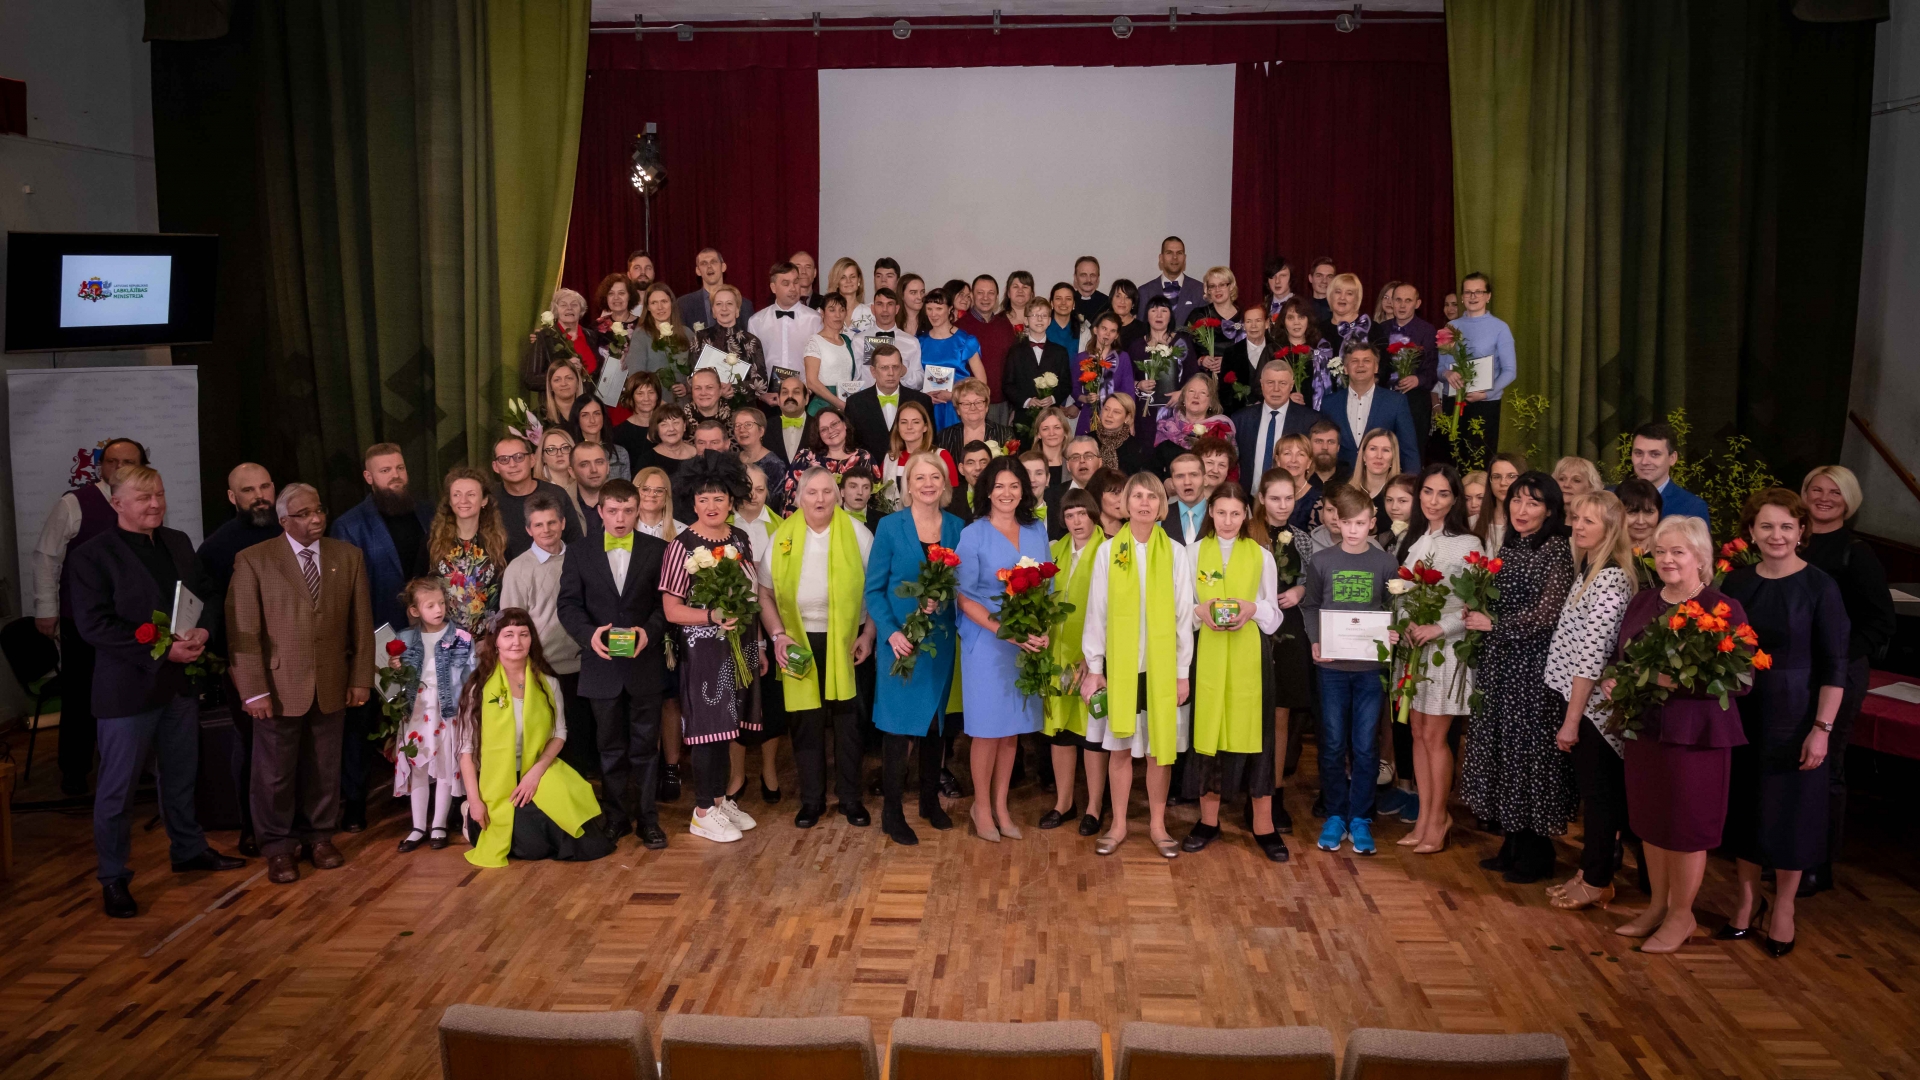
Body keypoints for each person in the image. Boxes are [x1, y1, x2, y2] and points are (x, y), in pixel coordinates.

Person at [72, 466, 245, 917]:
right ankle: (113, 877)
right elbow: (94, 626)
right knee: (118, 791)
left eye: (160, 495)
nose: (155, 504)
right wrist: (164, 651)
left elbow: (207, 594)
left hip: (179, 686)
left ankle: (188, 849)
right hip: (126, 692)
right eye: (144, 497)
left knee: (181, 774)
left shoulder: (178, 542)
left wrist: (204, 632)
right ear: (117, 504)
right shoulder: (92, 556)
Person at [1608, 515, 1749, 953]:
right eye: (1661, 551)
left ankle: (1681, 915)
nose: (1667, 559)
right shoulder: (1643, 601)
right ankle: (1657, 906)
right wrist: (1615, 679)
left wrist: (1676, 682)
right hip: (1645, 730)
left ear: (1701, 558)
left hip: (1696, 736)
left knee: (1685, 828)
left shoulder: (1721, 607)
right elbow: (1622, 658)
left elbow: (1742, 679)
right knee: (1652, 823)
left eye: (1678, 552)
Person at [1719, 489, 1847, 957]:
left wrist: (1822, 730)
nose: (1777, 535)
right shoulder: (1736, 583)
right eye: (1767, 526)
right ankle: (1747, 900)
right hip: (1742, 712)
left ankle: (1785, 908)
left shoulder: (1820, 587)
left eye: (1787, 526)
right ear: (1751, 533)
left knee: (1790, 815)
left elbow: (1836, 667)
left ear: (1801, 532)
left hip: (1796, 716)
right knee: (1745, 810)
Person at [226, 482, 375, 885]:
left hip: (331, 682)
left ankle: (319, 837)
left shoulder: (348, 557)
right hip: (276, 688)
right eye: (304, 514)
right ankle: (277, 846)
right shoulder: (254, 560)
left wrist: (361, 677)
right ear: (283, 521)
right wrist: (253, 690)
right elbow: (242, 632)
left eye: (319, 510)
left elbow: (361, 625)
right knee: (274, 773)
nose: (316, 519)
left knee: (325, 767)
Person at [1462, 472, 1579, 883]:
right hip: (1501, 664)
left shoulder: (1556, 549)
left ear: (1550, 510)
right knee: (1503, 750)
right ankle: (1513, 842)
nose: (1522, 509)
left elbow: (1549, 614)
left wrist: (1494, 624)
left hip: (1532, 669)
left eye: (1533, 502)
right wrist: (1477, 611)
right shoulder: (1512, 546)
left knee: (1528, 754)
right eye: (1516, 500)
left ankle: (1537, 852)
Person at [1079, 472, 1196, 857]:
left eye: (1152, 496)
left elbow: (1183, 617)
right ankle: (1118, 824)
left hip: (1162, 669)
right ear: (1126, 504)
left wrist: (1182, 673)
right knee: (1120, 748)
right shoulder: (1109, 552)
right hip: (1122, 668)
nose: (1145, 503)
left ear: (1162, 504)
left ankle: (1158, 825)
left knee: (1159, 750)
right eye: (1137, 496)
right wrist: (1095, 667)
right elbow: (1097, 613)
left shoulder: (1175, 553)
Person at [757, 467, 877, 828]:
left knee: (848, 723)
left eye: (827, 492)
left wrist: (869, 635)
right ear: (798, 498)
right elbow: (764, 594)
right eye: (812, 492)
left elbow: (877, 589)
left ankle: (851, 798)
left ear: (837, 496)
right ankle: (811, 800)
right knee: (805, 722)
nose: (820, 499)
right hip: (798, 641)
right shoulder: (781, 536)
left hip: (849, 640)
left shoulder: (858, 533)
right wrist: (778, 635)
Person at [557, 477, 671, 847]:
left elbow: (666, 605)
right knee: (609, 747)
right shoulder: (579, 552)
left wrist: (648, 632)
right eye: (613, 511)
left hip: (643, 663)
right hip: (601, 664)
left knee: (646, 747)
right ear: (600, 511)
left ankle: (648, 820)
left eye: (627, 510)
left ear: (638, 511)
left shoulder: (658, 549)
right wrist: (588, 634)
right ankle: (617, 817)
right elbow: (568, 605)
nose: (620, 518)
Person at [456, 608, 619, 866]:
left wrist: (535, 773)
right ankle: (468, 817)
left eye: (524, 634)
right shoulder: (478, 687)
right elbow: (465, 750)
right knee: (531, 842)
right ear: (495, 642)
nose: (516, 642)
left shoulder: (548, 683)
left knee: (582, 838)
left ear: (532, 639)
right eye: (508, 635)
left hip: (538, 768)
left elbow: (559, 733)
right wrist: (474, 801)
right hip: (497, 778)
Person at [658, 452, 764, 843]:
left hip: (741, 644)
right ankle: (702, 810)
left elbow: (752, 595)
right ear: (693, 502)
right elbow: (671, 609)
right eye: (703, 499)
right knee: (708, 729)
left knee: (728, 729)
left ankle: (720, 800)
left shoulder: (740, 539)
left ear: (732, 499)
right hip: (704, 650)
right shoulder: (681, 546)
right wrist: (710, 616)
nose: (711, 505)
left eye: (718, 497)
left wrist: (760, 645)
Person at [32, 435, 147, 796]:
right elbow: (47, 557)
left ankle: (134, 766)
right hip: (82, 620)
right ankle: (74, 770)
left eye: (129, 462)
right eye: (112, 461)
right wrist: (46, 609)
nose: (120, 467)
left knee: (132, 693)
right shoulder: (74, 504)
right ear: (100, 466)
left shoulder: (147, 503)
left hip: (131, 622)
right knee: (81, 695)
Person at [1179, 482, 1287, 861]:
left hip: (1249, 660)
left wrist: (1252, 608)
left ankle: (1264, 825)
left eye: (1235, 513)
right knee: (1209, 735)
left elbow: (1274, 614)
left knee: (1256, 738)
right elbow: (1180, 607)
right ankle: (1208, 822)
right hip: (1206, 657)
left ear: (1246, 516)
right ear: (1211, 512)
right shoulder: (1191, 554)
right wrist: (1199, 611)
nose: (1228, 520)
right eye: (1221, 512)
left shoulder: (1261, 556)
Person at [1541, 491, 1639, 907]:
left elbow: (1591, 657)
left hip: (1593, 710)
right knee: (1593, 795)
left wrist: (1572, 719)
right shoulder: (1589, 568)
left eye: (1589, 521)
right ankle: (1588, 871)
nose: (1578, 526)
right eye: (1576, 517)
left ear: (1611, 529)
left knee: (1601, 798)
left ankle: (1597, 879)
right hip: (1578, 701)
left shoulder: (1611, 577)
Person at [1799, 466, 1893, 894]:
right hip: (1791, 670)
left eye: (1834, 492)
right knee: (1790, 761)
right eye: (1816, 490)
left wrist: (1835, 655)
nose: (1823, 498)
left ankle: (1818, 862)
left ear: (1849, 500)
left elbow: (1881, 622)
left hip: (1839, 672)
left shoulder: (1858, 553)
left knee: (1826, 765)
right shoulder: (1790, 540)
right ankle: (1786, 853)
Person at [865, 452, 966, 845]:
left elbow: (962, 584)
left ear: (945, 484)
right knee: (898, 728)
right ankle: (892, 813)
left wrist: (944, 600)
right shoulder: (890, 527)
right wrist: (890, 632)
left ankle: (929, 801)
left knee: (934, 724)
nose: (927, 484)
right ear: (908, 485)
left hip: (939, 642)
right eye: (919, 478)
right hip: (900, 644)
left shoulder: (956, 526)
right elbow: (874, 589)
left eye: (934, 477)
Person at [954, 457, 1054, 842]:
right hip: (987, 641)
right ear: (987, 491)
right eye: (999, 486)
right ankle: (981, 807)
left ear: (1023, 490)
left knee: (1011, 730)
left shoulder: (1036, 529)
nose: (1007, 493)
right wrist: (1005, 631)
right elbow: (964, 597)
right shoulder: (973, 534)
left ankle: (1001, 805)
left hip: (1023, 642)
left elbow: (1045, 587)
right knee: (987, 730)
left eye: (1014, 485)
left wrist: (1042, 629)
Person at [1297, 485, 1400, 856]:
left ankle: (1361, 817)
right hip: (1332, 668)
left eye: (1361, 523)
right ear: (1336, 522)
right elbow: (1310, 605)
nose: (1353, 530)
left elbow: (1393, 608)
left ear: (1372, 523)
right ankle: (1336, 814)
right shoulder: (1322, 561)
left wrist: (1394, 631)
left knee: (1365, 745)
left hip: (1370, 669)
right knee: (1332, 743)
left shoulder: (1385, 564)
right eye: (1347, 523)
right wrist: (1315, 640)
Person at [1391, 465, 1484, 854]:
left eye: (1443, 493)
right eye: (1427, 491)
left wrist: (1439, 628)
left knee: (1435, 736)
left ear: (1455, 499)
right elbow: (1399, 592)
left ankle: (1438, 817)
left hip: (1445, 651)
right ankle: (1424, 818)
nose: (1433, 500)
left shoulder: (1467, 542)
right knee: (1416, 732)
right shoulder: (1411, 539)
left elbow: (1473, 604)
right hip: (1413, 648)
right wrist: (1405, 622)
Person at [498, 493, 592, 776]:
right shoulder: (518, 569)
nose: (546, 530)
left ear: (563, 523)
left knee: (582, 742)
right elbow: (510, 625)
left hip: (582, 665)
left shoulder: (582, 558)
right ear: (528, 529)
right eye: (538, 525)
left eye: (552, 522)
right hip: (542, 668)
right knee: (548, 743)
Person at [385, 578, 474, 853]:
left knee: (446, 766)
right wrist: (394, 668)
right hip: (417, 711)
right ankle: (418, 826)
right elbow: (394, 683)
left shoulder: (461, 638)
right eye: (430, 605)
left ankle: (439, 824)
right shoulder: (404, 639)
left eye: (441, 603)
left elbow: (471, 678)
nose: (438, 610)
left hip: (447, 712)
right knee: (418, 766)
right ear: (415, 611)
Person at [1041, 489, 1107, 834]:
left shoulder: (1109, 551)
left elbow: (1115, 611)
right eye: (1069, 515)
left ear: (1094, 515)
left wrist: (1095, 659)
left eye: (1082, 513)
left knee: (1093, 734)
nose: (1076, 521)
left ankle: (1095, 807)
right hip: (1058, 658)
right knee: (1061, 732)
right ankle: (1064, 803)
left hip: (1092, 662)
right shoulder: (1054, 551)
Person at [1256, 470, 1311, 839]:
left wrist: (1300, 591)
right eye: (1274, 498)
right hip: (1254, 629)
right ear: (1261, 498)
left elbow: (1313, 580)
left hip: (1289, 630)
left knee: (1280, 712)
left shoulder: (1302, 538)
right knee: (1252, 710)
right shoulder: (1248, 533)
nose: (1282, 505)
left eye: (1288, 498)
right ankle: (1250, 789)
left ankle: (1274, 792)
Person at [1438, 273, 1517, 463]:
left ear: (1488, 296)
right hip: (1453, 402)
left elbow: (1510, 370)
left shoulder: (1500, 328)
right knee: (1452, 459)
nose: (1473, 297)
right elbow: (1439, 368)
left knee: (1479, 460)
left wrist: (1486, 394)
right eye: (1468, 292)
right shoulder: (1450, 326)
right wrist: (1447, 373)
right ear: (1462, 297)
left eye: (1478, 292)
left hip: (1485, 404)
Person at [428, 467, 508, 633]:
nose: (463, 500)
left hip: (489, 638)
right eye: (457, 495)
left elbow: (508, 594)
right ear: (450, 501)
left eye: (471, 494)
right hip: (444, 637)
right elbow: (419, 589)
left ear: (484, 500)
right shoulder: (432, 543)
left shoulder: (500, 544)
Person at [1321, 342, 1420, 474]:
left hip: (1383, 480)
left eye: (1366, 361)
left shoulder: (1396, 402)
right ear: (1345, 369)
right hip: (1341, 480)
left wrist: (1411, 482)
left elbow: (1408, 450)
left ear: (1376, 367)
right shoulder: (1329, 403)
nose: (1360, 365)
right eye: (1354, 361)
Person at [492, 435, 583, 560]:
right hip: (504, 571)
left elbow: (576, 542)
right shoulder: (489, 499)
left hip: (556, 569)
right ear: (495, 466)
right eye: (504, 459)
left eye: (519, 457)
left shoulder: (556, 494)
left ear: (532, 460)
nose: (512, 464)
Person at [1232, 359, 1323, 482]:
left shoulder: (1310, 420)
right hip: (1248, 493)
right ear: (1262, 384)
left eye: (1282, 383)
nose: (1276, 389)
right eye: (1270, 383)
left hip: (1293, 492)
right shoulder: (1241, 419)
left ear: (1291, 385)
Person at [845, 344, 931, 460]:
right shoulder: (855, 403)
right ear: (873, 371)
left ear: (901, 369)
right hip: (869, 469)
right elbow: (850, 445)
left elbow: (930, 441)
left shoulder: (922, 401)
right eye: (884, 368)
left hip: (912, 467)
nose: (891, 373)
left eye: (895, 367)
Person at [748, 261, 824, 393]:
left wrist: (806, 391)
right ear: (773, 287)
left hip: (805, 393)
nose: (793, 288)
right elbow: (753, 364)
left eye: (796, 282)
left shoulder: (815, 319)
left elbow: (821, 361)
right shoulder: (756, 321)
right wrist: (762, 394)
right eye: (786, 283)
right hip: (768, 396)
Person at [1382, 282, 1440, 450]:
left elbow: (1433, 368)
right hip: (1385, 398)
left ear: (1417, 303)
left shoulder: (1427, 331)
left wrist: (1418, 379)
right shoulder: (1381, 329)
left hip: (1415, 400)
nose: (1402, 305)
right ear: (1392, 302)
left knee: (1413, 449)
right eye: (1398, 300)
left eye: (1408, 300)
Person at [1004, 297, 1075, 434]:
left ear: (1049, 321)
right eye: (1035, 315)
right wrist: (1027, 401)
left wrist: (1053, 398)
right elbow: (1008, 385)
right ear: (1026, 320)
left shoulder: (1060, 352)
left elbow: (1066, 384)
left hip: (1051, 417)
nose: (1040, 319)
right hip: (1024, 418)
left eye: (1044, 315)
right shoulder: (1015, 351)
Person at [919, 288, 986, 430]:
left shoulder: (965, 340)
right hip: (928, 407)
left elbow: (982, 383)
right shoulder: (920, 342)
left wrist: (953, 395)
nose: (933, 314)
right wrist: (923, 396)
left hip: (957, 408)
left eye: (938, 309)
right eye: (929, 309)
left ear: (950, 308)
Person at [782, 406, 876, 504]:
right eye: (824, 429)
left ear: (845, 424)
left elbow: (874, 500)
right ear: (818, 434)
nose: (830, 431)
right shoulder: (804, 457)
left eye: (834, 424)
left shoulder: (864, 457)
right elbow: (790, 498)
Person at [694, 284, 771, 404]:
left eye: (729, 303)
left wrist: (733, 388)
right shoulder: (700, 338)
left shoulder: (751, 341)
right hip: (708, 407)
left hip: (743, 409)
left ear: (737, 310)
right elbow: (691, 376)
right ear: (713, 310)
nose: (724, 308)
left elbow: (762, 384)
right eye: (719, 304)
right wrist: (715, 388)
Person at [1626, 422, 1711, 523]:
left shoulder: (1692, 507)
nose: (1644, 462)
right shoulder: (1615, 499)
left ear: (1672, 458)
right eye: (1638, 453)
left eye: (1655, 454)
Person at [961, 275, 1019, 422]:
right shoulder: (959, 328)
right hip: (972, 404)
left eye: (991, 293)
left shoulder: (1005, 325)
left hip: (1004, 403)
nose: (985, 298)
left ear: (997, 296)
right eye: (980, 292)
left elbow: (1014, 365)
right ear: (972, 295)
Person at [881, 401, 960, 503]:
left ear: (925, 427)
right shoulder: (890, 459)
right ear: (898, 427)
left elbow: (954, 497)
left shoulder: (941, 456)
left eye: (916, 422)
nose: (909, 427)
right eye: (904, 422)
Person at [520, 287, 594, 392]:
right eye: (563, 305)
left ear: (581, 310)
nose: (569, 308)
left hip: (591, 400)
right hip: (559, 401)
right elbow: (531, 380)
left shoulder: (591, 335)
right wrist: (563, 370)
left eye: (574, 305)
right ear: (556, 310)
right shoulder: (544, 337)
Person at [1130, 296, 1193, 414]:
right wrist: (1139, 385)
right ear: (1147, 316)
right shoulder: (1136, 346)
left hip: (1177, 409)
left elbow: (1194, 375)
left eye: (1164, 311)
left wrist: (1182, 393)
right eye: (1153, 310)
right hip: (1144, 410)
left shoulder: (1181, 343)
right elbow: (1127, 379)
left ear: (1170, 316)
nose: (1159, 315)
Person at [853, 287, 923, 389]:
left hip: (902, 397)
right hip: (868, 397)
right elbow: (855, 378)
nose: (885, 309)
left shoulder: (911, 342)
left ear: (897, 309)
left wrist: (903, 371)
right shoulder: (858, 341)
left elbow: (920, 382)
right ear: (872, 309)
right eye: (880, 304)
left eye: (890, 304)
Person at [590, 273, 644, 404]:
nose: (616, 298)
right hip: (603, 394)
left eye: (621, 293)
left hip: (637, 393)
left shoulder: (643, 326)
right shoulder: (596, 327)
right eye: (611, 293)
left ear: (630, 296)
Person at [803, 293, 861, 411]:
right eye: (832, 310)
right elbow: (812, 382)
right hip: (822, 408)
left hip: (846, 404)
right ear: (822, 313)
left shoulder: (847, 341)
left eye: (842, 310)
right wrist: (840, 404)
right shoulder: (815, 342)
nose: (838, 315)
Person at [1185, 266, 1246, 374]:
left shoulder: (1245, 316)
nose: (1217, 290)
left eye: (1222, 284)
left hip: (1237, 377)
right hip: (1205, 377)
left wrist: (1229, 361)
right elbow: (1185, 346)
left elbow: (1254, 350)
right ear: (1208, 290)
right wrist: (1201, 360)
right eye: (1212, 286)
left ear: (1231, 286)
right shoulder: (1199, 315)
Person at [934, 378, 1014, 458]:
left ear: (986, 406)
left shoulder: (1004, 434)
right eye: (966, 404)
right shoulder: (944, 436)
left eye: (978, 402)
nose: (973, 408)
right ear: (957, 410)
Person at [731, 408, 790, 513]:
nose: (742, 429)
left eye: (748, 425)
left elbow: (776, 505)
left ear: (761, 431)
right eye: (738, 425)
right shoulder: (732, 460)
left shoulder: (775, 465)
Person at [678, 247, 752, 327]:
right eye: (704, 263)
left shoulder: (744, 305)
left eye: (713, 262)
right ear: (698, 271)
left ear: (723, 267)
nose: (709, 266)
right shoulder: (684, 304)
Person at [1142, 235, 1205, 325]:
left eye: (1179, 253)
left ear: (1184, 258)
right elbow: (1141, 329)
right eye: (1169, 253)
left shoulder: (1200, 290)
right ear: (1161, 258)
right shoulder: (1144, 292)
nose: (1175, 257)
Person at [611, 371, 667, 473]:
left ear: (658, 396)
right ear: (631, 397)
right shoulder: (619, 433)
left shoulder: (667, 429)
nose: (646, 398)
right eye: (640, 393)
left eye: (651, 392)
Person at [1475, 452, 1527, 553]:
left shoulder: (1530, 522)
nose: (1503, 483)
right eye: (1496, 477)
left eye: (1511, 476)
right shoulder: (1474, 521)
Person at [1161, 454, 1211, 547]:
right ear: (1172, 483)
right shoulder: (1160, 516)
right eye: (1180, 476)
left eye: (1193, 475)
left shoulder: (1222, 514)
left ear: (1205, 480)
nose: (1187, 482)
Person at [568, 441, 613, 536]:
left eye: (599, 462)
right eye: (584, 464)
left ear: (608, 467)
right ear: (572, 472)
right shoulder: (561, 502)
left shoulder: (625, 500)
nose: (594, 470)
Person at [1617, 477, 1663, 561]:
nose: (1641, 521)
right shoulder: (1605, 551)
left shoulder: (1669, 551)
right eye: (1632, 512)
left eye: (1649, 512)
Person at [824, 257, 873, 330]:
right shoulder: (824, 312)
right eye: (843, 277)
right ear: (837, 282)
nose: (848, 281)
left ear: (859, 280)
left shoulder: (870, 314)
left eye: (852, 277)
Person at [1109, 278, 1147, 352]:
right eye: (1118, 296)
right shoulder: (1103, 326)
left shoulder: (1143, 330)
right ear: (1111, 299)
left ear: (1133, 303)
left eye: (1127, 297)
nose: (1122, 301)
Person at [1071, 256, 1108, 324]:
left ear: (1098, 278)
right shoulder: (1067, 302)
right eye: (1083, 275)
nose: (1088, 280)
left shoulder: (1107, 303)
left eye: (1092, 275)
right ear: (1075, 278)